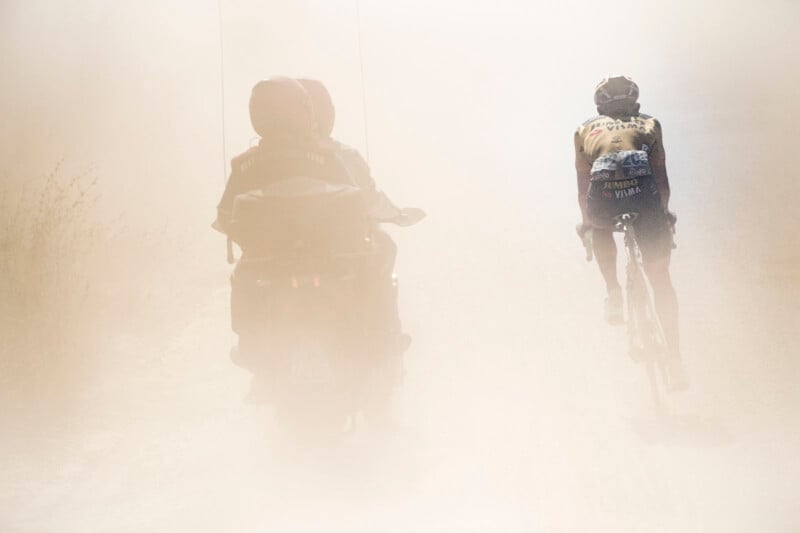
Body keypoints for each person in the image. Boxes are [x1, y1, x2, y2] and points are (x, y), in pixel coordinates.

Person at [214, 77, 360, 388]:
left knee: (242, 278)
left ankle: (250, 346)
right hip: (326, 260)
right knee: (360, 278)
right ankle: (368, 348)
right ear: (305, 111)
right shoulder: (326, 157)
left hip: (269, 265)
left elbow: (225, 215)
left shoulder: (244, 164)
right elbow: (354, 199)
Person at [573, 75, 688, 390]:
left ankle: (613, 291)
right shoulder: (650, 124)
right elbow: (661, 178)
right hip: (645, 199)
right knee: (661, 281)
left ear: (599, 104)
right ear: (634, 100)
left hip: (603, 199)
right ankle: (675, 362)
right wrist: (664, 214)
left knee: (598, 225)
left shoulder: (584, 130)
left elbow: (584, 189)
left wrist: (586, 222)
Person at [297, 78, 407, 353]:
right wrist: (396, 214)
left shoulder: (255, 162)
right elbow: (370, 201)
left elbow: (229, 216)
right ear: (326, 114)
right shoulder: (343, 156)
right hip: (340, 256)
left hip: (278, 259)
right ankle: (385, 334)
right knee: (385, 249)